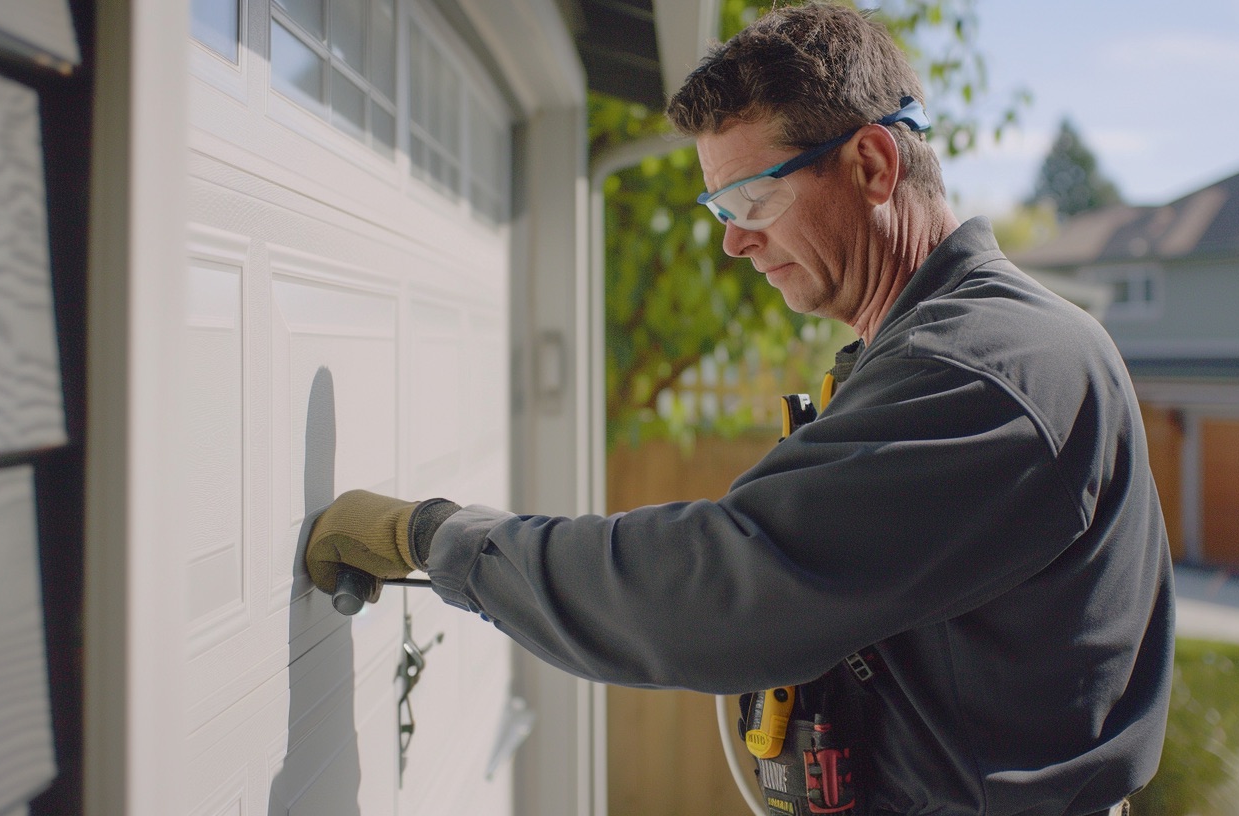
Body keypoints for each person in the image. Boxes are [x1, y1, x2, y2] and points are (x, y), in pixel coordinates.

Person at [304, 3, 1173, 814]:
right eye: (720, 206)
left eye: (753, 199)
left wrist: (443, 539)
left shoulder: (985, 372)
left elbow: (717, 588)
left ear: (873, 164)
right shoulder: (931, 349)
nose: (732, 239)